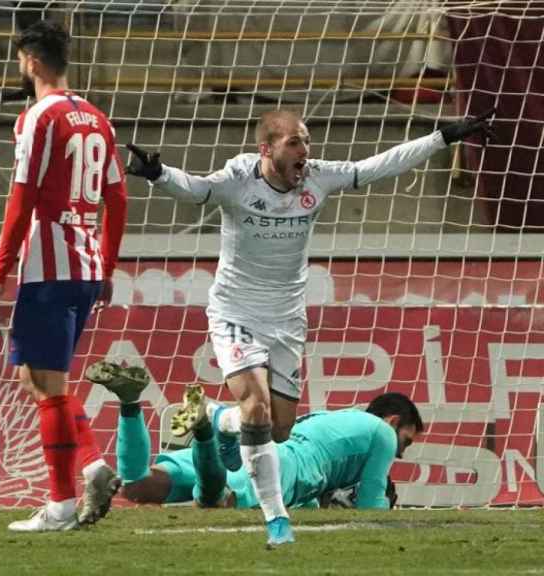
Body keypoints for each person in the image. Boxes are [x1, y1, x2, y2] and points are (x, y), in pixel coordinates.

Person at [125, 108, 494, 545]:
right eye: (295, 143)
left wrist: (442, 137)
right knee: (257, 411)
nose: (306, 151)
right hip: (236, 313)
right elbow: (197, 189)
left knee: (278, 430)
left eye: (307, 141)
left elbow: (377, 167)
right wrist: (159, 174)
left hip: (286, 321)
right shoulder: (238, 177)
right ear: (268, 149)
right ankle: (276, 519)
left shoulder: (318, 177)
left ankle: (215, 417)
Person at [0, 20, 128, 533]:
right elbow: (117, 199)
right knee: (38, 379)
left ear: (33, 62)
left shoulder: (38, 118)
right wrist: (107, 266)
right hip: (86, 264)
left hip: (48, 265)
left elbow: (20, 199)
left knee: (46, 386)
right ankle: (91, 469)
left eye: (21, 60)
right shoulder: (97, 117)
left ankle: (65, 500)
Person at [88, 361, 421, 513]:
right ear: (392, 421)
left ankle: (131, 403)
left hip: (271, 452)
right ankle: (210, 426)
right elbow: (370, 506)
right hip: (283, 466)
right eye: (405, 440)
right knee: (215, 500)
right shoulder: (381, 433)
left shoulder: (331, 421)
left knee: (138, 486)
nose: (400, 452)